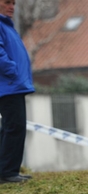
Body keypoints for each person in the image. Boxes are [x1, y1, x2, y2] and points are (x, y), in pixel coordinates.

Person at [0, 0, 35, 184]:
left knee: (9, 128)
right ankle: (8, 172)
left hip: (12, 85)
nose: (12, 6)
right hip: (8, 86)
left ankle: (6, 171)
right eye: (7, 2)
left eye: (13, 3)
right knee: (15, 127)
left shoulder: (6, 25)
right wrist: (12, 71)